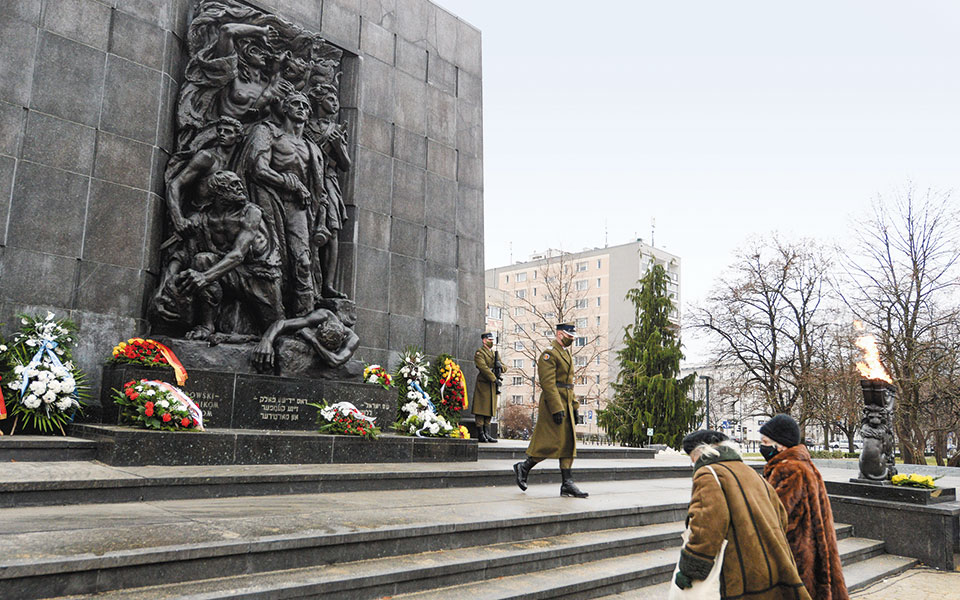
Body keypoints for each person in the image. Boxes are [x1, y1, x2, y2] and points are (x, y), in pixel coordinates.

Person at [675, 429, 811, 600]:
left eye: (691, 458)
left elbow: (707, 526)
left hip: (737, 574)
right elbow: (781, 516)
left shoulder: (708, 473)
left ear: (699, 453)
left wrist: (690, 570)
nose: (692, 463)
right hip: (768, 567)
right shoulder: (750, 472)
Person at [761, 414, 849, 600]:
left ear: (781, 445)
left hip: (798, 551)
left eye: (765, 441)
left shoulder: (789, 469)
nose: (763, 446)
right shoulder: (804, 464)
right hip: (812, 545)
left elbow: (775, 515)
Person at [512, 323, 588, 498]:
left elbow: (570, 383)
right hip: (553, 403)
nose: (571, 340)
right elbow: (548, 383)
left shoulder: (566, 353)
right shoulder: (549, 354)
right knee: (550, 442)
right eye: (569, 336)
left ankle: (567, 483)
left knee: (569, 443)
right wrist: (556, 407)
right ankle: (523, 467)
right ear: (559, 334)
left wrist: (575, 406)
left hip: (566, 402)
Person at [473, 332, 503, 443]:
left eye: (492, 340)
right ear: (484, 340)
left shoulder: (494, 354)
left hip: (492, 385)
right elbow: (483, 367)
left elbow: (503, 366)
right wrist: (494, 378)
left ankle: (487, 432)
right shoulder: (480, 353)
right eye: (489, 340)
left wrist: (500, 368)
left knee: (490, 408)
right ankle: (481, 433)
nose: (492, 342)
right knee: (481, 409)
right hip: (484, 383)